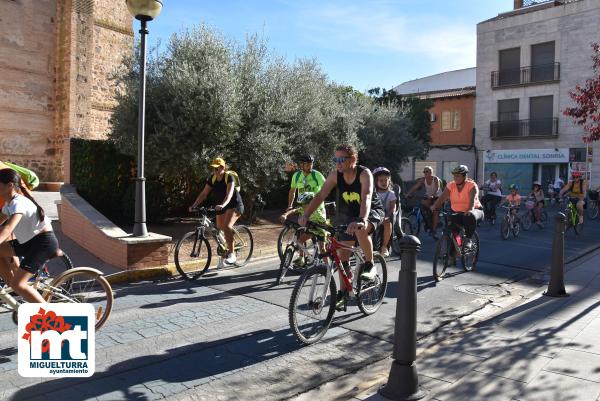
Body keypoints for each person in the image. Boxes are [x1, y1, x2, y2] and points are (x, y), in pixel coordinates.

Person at [299, 144, 384, 309]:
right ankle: (343, 293)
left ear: (352, 159)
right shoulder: (334, 175)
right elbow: (320, 195)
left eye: (341, 159)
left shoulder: (364, 174)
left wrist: (362, 219)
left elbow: (366, 197)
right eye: (335, 159)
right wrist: (306, 215)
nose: (337, 163)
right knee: (342, 256)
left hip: (370, 211)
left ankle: (370, 264)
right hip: (347, 215)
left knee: (360, 231)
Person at [0, 168, 55, 303]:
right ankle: (13, 288)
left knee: (19, 284)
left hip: (42, 243)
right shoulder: (9, 204)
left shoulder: (19, 202)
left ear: (9, 185)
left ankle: (53, 317)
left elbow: (8, 228)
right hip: (28, 242)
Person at [189, 158, 244, 265]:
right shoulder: (212, 178)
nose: (214, 170)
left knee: (227, 226)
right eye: (213, 168)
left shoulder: (229, 177)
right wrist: (194, 205)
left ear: (223, 168)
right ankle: (225, 253)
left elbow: (229, 194)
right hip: (220, 207)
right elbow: (204, 194)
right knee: (219, 229)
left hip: (234, 205)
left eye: (217, 168)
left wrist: (223, 205)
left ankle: (232, 254)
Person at [431, 165, 483, 249]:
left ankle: (468, 239)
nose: (455, 178)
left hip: (475, 210)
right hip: (457, 212)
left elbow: (472, 199)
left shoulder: (471, 185)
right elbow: (442, 197)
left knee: (469, 216)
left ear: (464, 176)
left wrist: (470, 209)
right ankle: (452, 255)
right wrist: (434, 206)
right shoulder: (451, 185)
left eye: (458, 176)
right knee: (453, 232)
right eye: (454, 176)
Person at [279, 192, 327, 266]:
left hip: (320, 230)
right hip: (311, 229)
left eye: (304, 204)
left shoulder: (317, 212)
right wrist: (285, 215)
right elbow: (294, 210)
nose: (302, 206)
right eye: (301, 204)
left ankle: (327, 267)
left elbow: (324, 223)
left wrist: (322, 232)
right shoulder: (303, 208)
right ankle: (304, 258)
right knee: (299, 241)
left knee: (323, 250)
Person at [405, 166, 441, 237]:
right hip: (428, 196)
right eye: (424, 172)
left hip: (437, 196)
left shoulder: (435, 179)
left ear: (431, 172)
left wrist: (432, 196)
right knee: (422, 205)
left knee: (435, 211)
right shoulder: (423, 179)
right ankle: (428, 222)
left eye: (426, 171)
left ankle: (433, 230)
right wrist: (408, 194)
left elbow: (437, 188)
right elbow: (415, 187)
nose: (425, 173)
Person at [373, 167, 397, 257]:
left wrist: (388, 216)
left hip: (386, 215)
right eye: (381, 180)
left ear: (389, 181)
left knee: (388, 224)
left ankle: (384, 247)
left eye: (386, 180)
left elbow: (393, 207)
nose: (384, 182)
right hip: (375, 215)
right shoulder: (373, 193)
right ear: (376, 181)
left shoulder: (391, 194)